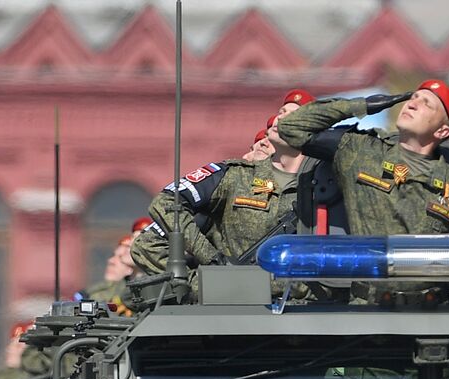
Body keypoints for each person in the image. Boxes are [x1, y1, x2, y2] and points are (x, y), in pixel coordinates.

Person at [274, 79, 449, 236]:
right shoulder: (360, 151)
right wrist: (360, 105)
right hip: (368, 298)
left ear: (442, 132)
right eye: (414, 98)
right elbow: (291, 128)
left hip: (430, 299)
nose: (412, 103)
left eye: (427, 104)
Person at [132, 97, 321, 276]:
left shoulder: (326, 185)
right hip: (234, 304)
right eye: (281, 111)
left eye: (292, 115)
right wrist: (212, 267)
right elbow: (167, 202)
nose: (280, 117)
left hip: (302, 305)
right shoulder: (235, 175)